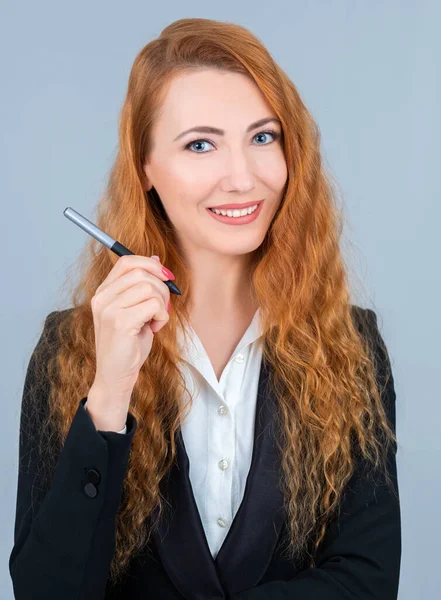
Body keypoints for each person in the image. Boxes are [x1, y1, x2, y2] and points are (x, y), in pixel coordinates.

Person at [9, 17, 401, 600]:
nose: (242, 178)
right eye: (200, 144)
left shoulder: (350, 344)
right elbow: (47, 591)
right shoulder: (73, 348)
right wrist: (111, 389)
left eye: (263, 137)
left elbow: (366, 580)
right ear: (145, 167)